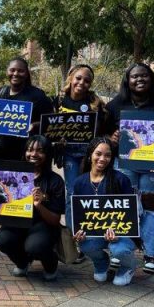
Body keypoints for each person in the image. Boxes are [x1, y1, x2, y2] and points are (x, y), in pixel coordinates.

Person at [105, 63, 154, 275]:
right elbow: (106, 134)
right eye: (135, 76)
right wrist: (112, 138)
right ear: (127, 80)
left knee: (152, 207)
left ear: (151, 79)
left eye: (144, 76)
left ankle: (151, 254)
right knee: (122, 205)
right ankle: (119, 250)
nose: (139, 80)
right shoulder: (115, 105)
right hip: (125, 164)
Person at [0, 135, 64, 281]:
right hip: (17, 223)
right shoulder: (11, 175)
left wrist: (39, 206)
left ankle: (51, 265)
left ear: (47, 154)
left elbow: (55, 220)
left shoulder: (55, 181)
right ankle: (22, 262)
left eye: (40, 151)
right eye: (29, 150)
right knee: (3, 239)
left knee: (35, 247)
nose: (33, 154)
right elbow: (1, 208)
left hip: (43, 226)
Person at [52, 64, 106, 263]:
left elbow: (104, 129)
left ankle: (92, 239)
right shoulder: (58, 101)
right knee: (72, 194)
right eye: (79, 78)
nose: (82, 83)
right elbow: (49, 127)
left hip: (90, 155)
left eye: (87, 80)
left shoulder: (95, 103)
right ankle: (75, 240)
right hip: (69, 155)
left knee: (92, 193)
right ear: (71, 78)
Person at [72, 137, 137, 286]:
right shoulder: (79, 182)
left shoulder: (121, 180)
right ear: (90, 155)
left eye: (107, 155)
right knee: (85, 245)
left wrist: (118, 229)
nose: (102, 159)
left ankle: (127, 267)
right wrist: (79, 232)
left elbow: (131, 213)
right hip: (95, 231)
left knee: (118, 249)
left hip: (119, 233)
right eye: (98, 154)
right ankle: (101, 263)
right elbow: (79, 214)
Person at [0, 57, 53, 161]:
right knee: (2, 178)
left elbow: (51, 121)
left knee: (24, 178)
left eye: (20, 71)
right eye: (12, 70)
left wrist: (34, 125)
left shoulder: (38, 95)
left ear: (27, 73)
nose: (15, 74)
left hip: (28, 156)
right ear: (7, 72)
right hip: (2, 155)